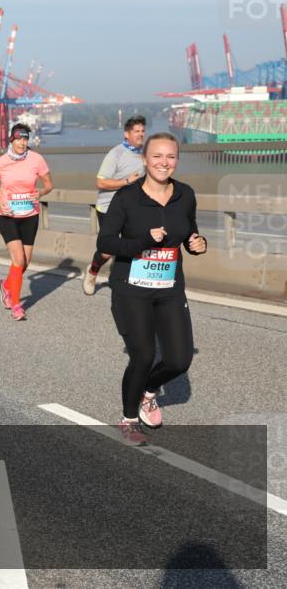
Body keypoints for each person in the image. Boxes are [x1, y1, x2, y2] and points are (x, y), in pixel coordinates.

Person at [97, 132, 206, 446]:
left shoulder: (185, 194)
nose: (164, 162)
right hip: (131, 288)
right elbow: (105, 242)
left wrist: (198, 244)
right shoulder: (127, 198)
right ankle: (129, 419)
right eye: (157, 156)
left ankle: (148, 392)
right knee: (143, 356)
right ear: (144, 160)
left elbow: (190, 232)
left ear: (177, 160)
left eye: (170, 156)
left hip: (169, 288)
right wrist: (143, 241)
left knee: (179, 360)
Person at [0, 123, 54, 321]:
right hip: (7, 215)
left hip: (30, 214)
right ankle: (16, 305)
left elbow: (49, 185)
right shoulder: (1, 162)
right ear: (11, 140)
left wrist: (40, 192)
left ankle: (6, 286)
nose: (22, 143)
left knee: (25, 263)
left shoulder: (36, 159)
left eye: (25, 139)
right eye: (19, 139)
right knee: (18, 259)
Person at [83, 116, 147, 295]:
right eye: (136, 131)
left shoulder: (145, 154)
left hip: (132, 208)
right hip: (108, 207)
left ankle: (123, 279)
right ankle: (92, 271)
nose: (141, 134)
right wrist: (126, 181)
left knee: (134, 243)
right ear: (126, 134)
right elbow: (100, 183)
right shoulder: (116, 154)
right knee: (108, 250)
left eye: (143, 131)